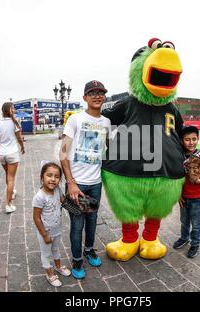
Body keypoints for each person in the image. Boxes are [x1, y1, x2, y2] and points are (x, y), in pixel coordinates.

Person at [59, 80, 111, 279]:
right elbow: (63, 153)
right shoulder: (75, 120)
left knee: (92, 220)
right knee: (77, 224)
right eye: (92, 93)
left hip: (95, 183)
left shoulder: (106, 122)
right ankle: (77, 259)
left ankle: (89, 250)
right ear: (85, 98)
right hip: (77, 183)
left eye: (101, 92)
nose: (97, 96)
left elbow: (106, 150)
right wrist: (71, 182)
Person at [173, 126, 200, 258]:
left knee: (196, 224)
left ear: (198, 139)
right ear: (181, 141)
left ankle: (195, 244)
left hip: (198, 198)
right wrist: (178, 195)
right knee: (184, 221)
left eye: (194, 139)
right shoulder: (179, 157)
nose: (191, 142)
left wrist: (199, 180)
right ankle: (184, 238)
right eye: (187, 140)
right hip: (184, 197)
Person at [33, 162, 71, 287]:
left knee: (56, 249)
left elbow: (63, 201)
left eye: (56, 176)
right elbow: (36, 217)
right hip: (46, 232)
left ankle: (58, 267)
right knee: (46, 254)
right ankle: (50, 274)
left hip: (57, 230)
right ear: (42, 177)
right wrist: (44, 235)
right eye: (49, 175)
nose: (53, 179)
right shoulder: (39, 197)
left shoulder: (58, 190)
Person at [0, 102, 25, 213]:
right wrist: (22, 147)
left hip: (2, 154)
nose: (14, 110)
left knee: (8, 176)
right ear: (9, 110)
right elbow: (19, 138)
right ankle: (9, 204)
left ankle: (12, 191)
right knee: (11, 179)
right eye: (13, 108)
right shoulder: (14, 122)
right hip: (12, 153)